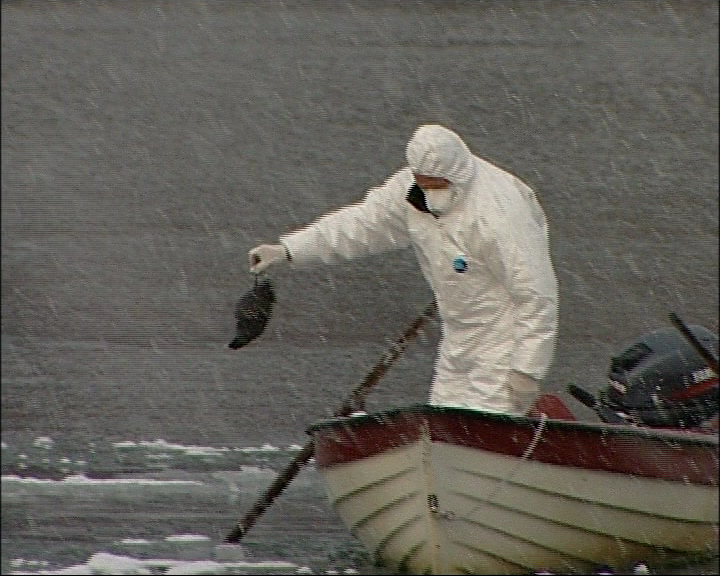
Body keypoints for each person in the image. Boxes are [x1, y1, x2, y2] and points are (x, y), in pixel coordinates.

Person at [248, 124, 558, 415]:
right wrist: (290, 250)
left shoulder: (500, 214)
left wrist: (527, 369)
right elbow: (359, 226)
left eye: (438, 186)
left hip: (504, 337)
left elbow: (536, 295)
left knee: (482, 433)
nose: (429, 194)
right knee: (445, 424)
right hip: (458, 334)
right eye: (424, 185)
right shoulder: (409, 191)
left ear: (457, 176)